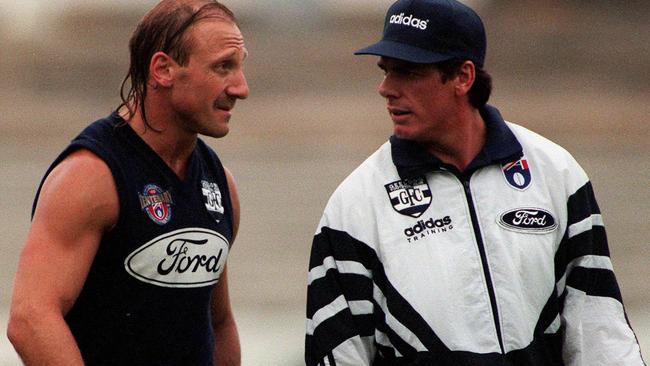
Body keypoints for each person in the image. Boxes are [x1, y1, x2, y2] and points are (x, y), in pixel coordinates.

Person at [305, 0, 645, 365]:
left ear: (463, 77)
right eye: (386, 71)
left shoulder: (556, 173)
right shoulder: (353, 206)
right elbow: (339, 353)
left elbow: (600, 331)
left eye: (407, 72)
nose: (386, 88)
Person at [7, 1, 248, 365]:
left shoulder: (219, 184)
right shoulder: (92, 177)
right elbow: (30, 319)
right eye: (223, 67)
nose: (241, 88)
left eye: (240, 66)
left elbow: (220, 322)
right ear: (163, 69)